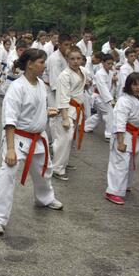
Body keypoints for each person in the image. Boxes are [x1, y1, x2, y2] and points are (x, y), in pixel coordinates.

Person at [0, 48, 63, 235]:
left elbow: (36, 108)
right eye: (41, 62)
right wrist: (10, 149)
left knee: (44, 170)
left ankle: (45, 198)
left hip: (38, 137)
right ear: (30, 64)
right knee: (7, 174)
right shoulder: (17, 88)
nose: (44, 66)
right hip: (17, 137)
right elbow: (10, 121)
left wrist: (46, 113)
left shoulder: (41, 85)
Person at [105, 73, 139, 205]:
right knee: (120, 164)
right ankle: (113, 191)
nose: (137, 87)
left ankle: (125, 185)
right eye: (134, 84)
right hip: (124, 134)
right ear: (128, 85)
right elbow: (120, 122)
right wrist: (121, 141)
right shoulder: (124, 100)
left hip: (135, 135)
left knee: (131, 163)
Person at [51, 46, 88, 181]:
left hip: (77, 109)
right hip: (67, 110)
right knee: (64, 139)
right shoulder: (64, 76)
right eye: (72, 59)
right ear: (67, 59)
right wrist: (65, 118)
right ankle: (57, 168)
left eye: (78, 58)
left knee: (69, 139)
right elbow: (62, 97)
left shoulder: (83, 71)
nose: (75, 61)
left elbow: (84, 84)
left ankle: (63, 163)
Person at [85, 54, 116, 140]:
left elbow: (109, 88)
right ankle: (109, 134)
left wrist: (114, 82)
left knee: (99, 115)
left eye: (111, 64)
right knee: (110, 112)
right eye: (108, 63)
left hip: (104, 97)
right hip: (99, 97)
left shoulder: (110, 73)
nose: (110, 65)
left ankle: (87, 126)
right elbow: (103, 88)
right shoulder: (99, 73)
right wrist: (111, 100)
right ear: (103, 63)